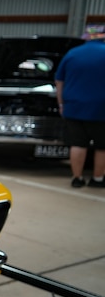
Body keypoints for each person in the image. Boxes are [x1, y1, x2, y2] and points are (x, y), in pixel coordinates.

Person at [55, 26, 105, 188]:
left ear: (86, 37)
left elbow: (59, 81)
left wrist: (61, 103)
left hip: (74, 107)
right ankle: (97, 179)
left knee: (77, 143)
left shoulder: (71, 54)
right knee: (102, 146)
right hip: (101, 108)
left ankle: (77, 178)